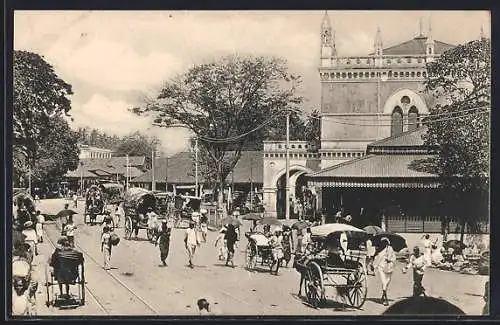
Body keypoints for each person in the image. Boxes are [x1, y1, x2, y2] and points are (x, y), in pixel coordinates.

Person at [374, 237, 396, 306]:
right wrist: (374, 266)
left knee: (387, 282)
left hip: (389, 268)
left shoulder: (390, 249)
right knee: (384, 282)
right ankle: (386, 299)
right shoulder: (379, 251)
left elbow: (394, 258)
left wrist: (390, 260)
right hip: (381, 268)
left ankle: (383, 296)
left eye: (385, 243)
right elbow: (376, 259)